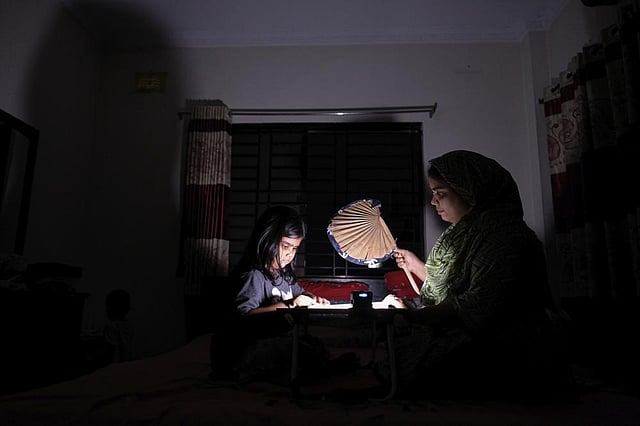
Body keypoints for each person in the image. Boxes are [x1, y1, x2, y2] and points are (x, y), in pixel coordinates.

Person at [378, 150, 571, 400]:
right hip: (472, 328)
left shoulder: (505, 237)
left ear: (470, 192)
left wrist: (412, 316)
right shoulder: (461, 235)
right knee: (394, 353)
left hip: (506, 337)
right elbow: (454, 285)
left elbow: (477, 304)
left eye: (440, 193)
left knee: (418, 361)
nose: (433, 202)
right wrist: (415, 266)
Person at [210, 206, 333, 383]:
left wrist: (313, 298)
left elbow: (301, 293)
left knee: (315, 345)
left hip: (270, 344)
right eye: (285, 246)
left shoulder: (284, 277)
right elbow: (243, 317)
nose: (289, 254)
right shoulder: (254, 276)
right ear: (267, 239)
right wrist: (290, 304)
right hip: (244, 349)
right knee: (300, 352)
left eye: (295, 248)